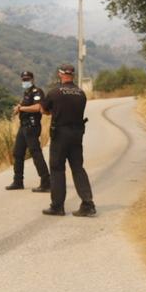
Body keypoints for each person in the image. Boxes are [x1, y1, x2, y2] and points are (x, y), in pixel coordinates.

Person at [40, 64, 95, 217]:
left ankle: (57, 206)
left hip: (60, 134)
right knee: (78, 168)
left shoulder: (54, 92)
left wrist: (53, 111)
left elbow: (44, 110)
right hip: (77, 134)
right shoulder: (81, 93)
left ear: (60, 74)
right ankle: (88, 204)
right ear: (73, 75)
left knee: (57, 169)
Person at [6, 70, 51, 193]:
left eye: (27, 79)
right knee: (17, 153)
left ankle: (46, 182)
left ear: (32, 79)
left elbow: (38, 107)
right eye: (23, 79)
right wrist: (18, 109)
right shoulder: (26, 93)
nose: (25, 81)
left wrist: (21, 108)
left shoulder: (37, 92)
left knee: (36, 153)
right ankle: (18, 181)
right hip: (23, 126)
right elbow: (24, 106)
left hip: (32, 126)